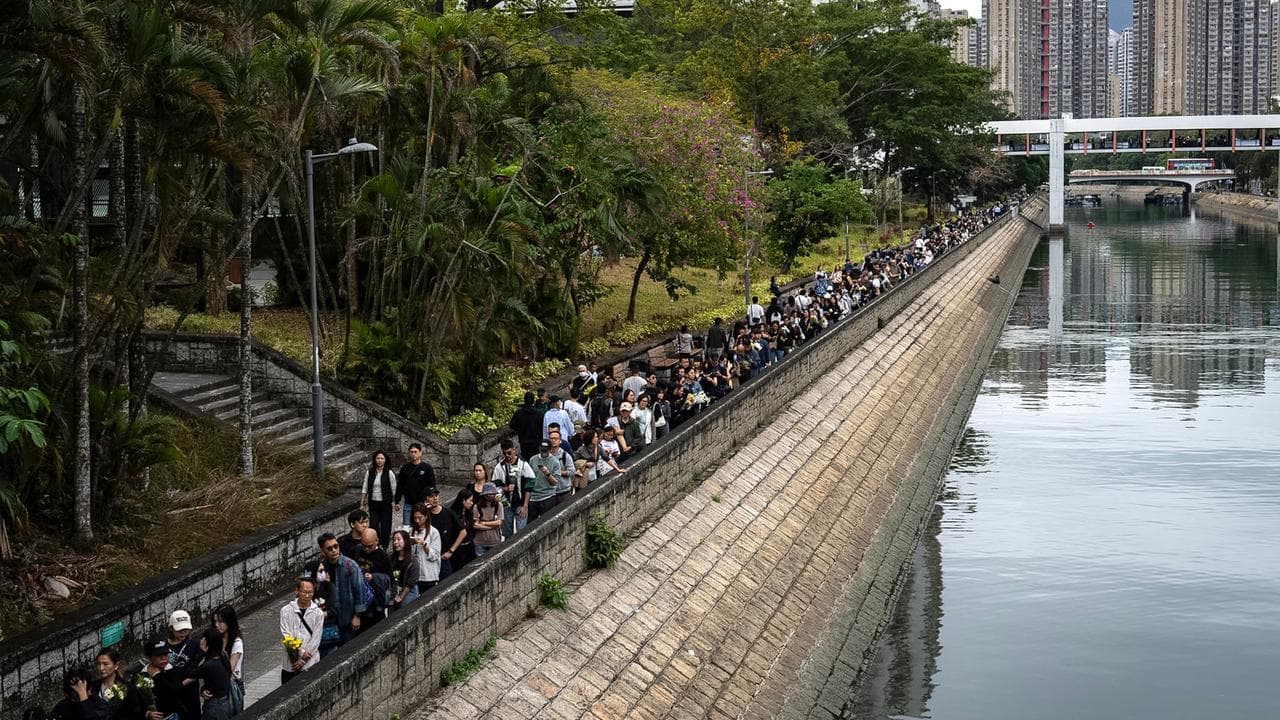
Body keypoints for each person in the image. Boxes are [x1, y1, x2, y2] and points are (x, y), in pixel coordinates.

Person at [303, 532, 365, 655]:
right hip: (330, 620)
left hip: (347, 617)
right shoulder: (322, 567)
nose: (334, 551)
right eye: (329, 548)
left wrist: (357, 615)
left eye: (336, 546)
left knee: (347, 651)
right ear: (323, 551)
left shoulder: (350, 565)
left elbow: (359, 590)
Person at [279, 578, 324, 684]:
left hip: (310, 662)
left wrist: (303, 659)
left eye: (310, 592)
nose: (307, 595)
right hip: (290, 662)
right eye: (304, 592)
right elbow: (286, 634)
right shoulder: (286, 611)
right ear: (297, 591)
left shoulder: (318, 613)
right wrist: (300, 653)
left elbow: (316, 638)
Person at [182, 629, 231, 720]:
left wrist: (202, 653)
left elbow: (190, 673)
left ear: (206, 642)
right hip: (224, 703)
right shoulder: (223, 657)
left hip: (213, 706)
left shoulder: (208, 665)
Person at [164, 610, 202, 720]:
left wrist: (183, 684)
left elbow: (200, 668)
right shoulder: (164, 646)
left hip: (190, 691)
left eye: (186, 629)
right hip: (170, 693)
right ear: (171, 628)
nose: (183, 632)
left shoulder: (194, 644)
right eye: (179, 629)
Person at [134, 638, 184, 720]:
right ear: (149, 657)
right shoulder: (141, 675)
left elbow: (174, 692)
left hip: (171, 715)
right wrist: (147, 713)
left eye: (165, 655)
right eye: (159, 656)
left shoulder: (172, 670)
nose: (163, 658)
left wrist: (157, 676)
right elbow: (136, 700)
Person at [492, 440, 533, 539]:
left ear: (514, 450)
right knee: (507, 534)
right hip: (506, 503)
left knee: (521, 533)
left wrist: (525, 506)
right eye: (504, 453)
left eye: (509, 453)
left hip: (520, 503)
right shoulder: (499, 468)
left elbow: (529, 486)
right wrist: (505, 489)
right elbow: (494, 487)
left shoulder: (523, 465)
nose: (507, 456)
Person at [424, 488, 466, 578]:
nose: (435, 498)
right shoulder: (425, 515)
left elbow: (463, 532)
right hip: (430, 556)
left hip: (444, 557)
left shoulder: (448, 513)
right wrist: (424, 510)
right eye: (431, 497)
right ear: (426, 499)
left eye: (436, 496)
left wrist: (451, 550)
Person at [355, 528, 393, 629]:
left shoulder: (383, 557)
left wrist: (374, 577)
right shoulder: (358, 550)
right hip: (359, 599)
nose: (366, 549)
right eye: (364, 546)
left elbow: (390, 580)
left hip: (376, 603)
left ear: (376, 541)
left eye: (369, 546)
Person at [359, 450, 397, 547]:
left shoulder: (389, 473)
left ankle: (384, 545)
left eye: (382, 458)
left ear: (385, 460)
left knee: (385, 526)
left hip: (385, 503)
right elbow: (365, 487)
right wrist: (362, 503)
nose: (379, 460)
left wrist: (396, 503)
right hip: (373, 503)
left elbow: (394, 489)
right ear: (375, 460)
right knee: (374, 525)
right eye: (378, 458)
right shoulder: (370, 472)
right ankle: (375, 544)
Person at [210, 606, 243, 715]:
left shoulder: (236, 643)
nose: (216, 625)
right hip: (214, 687)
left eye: (220, 622)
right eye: (215, 621)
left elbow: (229, 669)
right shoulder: (214, 639)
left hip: (229, 688)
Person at [395, 443, 435, 527]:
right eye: (411, 452)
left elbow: (432, 486)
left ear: (420, 453)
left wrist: (431, 499)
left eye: (415, 452)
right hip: (409, 503)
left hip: (423, 503)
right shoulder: (405, 468)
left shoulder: (427, 468)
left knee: (423, 526)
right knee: (407, 527)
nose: (413, 454)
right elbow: (400, 485)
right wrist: (397, 501)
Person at [406, 504, 441, 592]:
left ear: (425, 516)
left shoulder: (434, 532)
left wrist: (424, 544)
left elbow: (435, 555)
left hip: (429, 575)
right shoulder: (411, 531)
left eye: (420, 518)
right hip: (415, 575)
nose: (417, 521)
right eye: (415, 518)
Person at [526, 440, 561, 522]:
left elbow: (555, 482)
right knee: (530, 523)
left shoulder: (555, 462)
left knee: (547, 522)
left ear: (550, 450)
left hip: (548, 496)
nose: (543, 452)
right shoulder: (532, 460)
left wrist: (547, 473)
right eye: (542, 450)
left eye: (545, 450)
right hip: (534, 497)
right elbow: (528, 479)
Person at [90, 647, 131, 716]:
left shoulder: (127, 688)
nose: (101, 668)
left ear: (116, 665)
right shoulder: (93, 687)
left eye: (105, 664)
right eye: (98, 664)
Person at [388, 530, 422, 608]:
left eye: (398, 539)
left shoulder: (413, 560)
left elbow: (411, 582)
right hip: (394, 591)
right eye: (394, 540)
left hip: (408, 592)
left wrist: (401, 596)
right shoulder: (391, 558)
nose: (396, 542)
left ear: (406, 541)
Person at [508, 391, 544, 459]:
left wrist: (519, 429)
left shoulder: (519, 413)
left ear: (524, 400)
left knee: (526, 460)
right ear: (533, 401)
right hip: (536, 442)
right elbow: (543, 427)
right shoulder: (539, 414)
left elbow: (512, 425)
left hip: (524, 441)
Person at [472, 484, 504, 557]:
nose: (493, 495)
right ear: (485, 495)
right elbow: (475, 525)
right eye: (491, 494)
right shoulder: (477, 507)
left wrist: (483, 523)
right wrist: (490, 527)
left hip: (495, 540)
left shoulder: (499, 505)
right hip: (480, 541)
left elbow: (499, 522)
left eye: (494, 493)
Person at [548, 430, 574, 505]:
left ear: (560, 441)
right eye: (551, 438)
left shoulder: (565, 455)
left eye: (555, 438)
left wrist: (559, 472)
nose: (553, 440)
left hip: (564, 491)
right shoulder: (546, 456)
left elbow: (572, 472)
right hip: (550, 492)